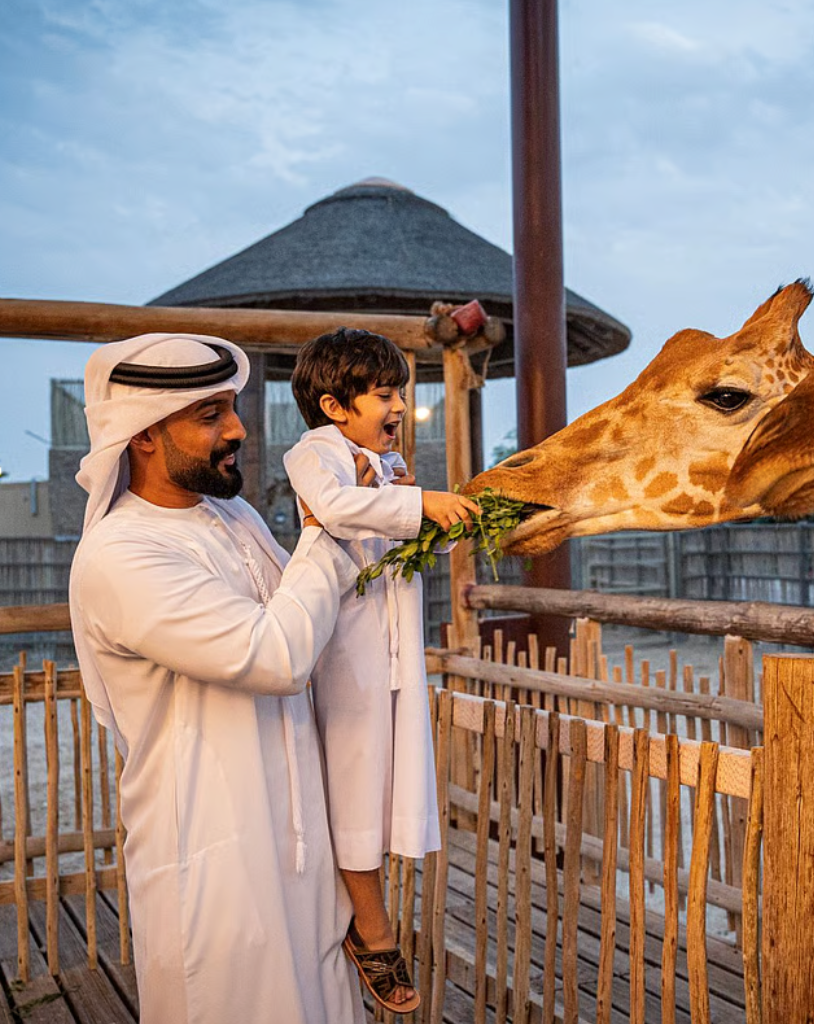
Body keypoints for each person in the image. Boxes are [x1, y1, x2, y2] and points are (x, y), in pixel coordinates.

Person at [68, 333, 363, 1024]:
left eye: (231, 407)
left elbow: (315, 617)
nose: (237, 430)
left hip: (301, 835)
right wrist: (327, 524)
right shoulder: (122, 554)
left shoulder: (235, 515)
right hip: (214, 856)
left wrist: (380, 522)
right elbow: (279, 655)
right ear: (142, 435)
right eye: (209, 415)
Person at [283, 327, 478, 1014]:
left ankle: (359, 917)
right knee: (355, 794)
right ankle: (373, 932)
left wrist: (422, 509)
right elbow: (333, 509)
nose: (399, 406)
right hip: (347, 658)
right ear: (336, 407)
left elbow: (388, 529)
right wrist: (420, 503)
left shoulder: (384, 464)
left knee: (389, 790)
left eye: (401, 393)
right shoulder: (314, 453)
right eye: (386, 394)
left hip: (393, 655)